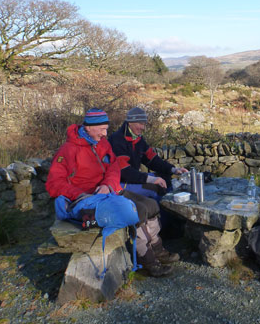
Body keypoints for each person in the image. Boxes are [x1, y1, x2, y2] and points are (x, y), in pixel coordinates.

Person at [46, 108, 179, 277]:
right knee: (135, 211)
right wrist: (81, 194)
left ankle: (157, 248)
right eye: (102, 129)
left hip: (109, 191)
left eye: (106, 129)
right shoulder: (68, 150)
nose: (105, 133)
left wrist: (107, 185)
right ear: (88, 127)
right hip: (86, 199)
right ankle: (149, 260)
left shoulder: (102, 144)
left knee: (152, 205)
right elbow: (54, 183)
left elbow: (114, 168)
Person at [109, 107, 188, 200]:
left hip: (132, 179)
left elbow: (153, 160)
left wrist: (173, 170)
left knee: (166, 179)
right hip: (120, 183)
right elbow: (125, 172)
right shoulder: (117, 140)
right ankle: (161, 211)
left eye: (144, 124)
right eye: (140, 123)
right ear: (130, 122)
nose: (143, 128)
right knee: (155, 188)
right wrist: (152, 180)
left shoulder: (138, 139)